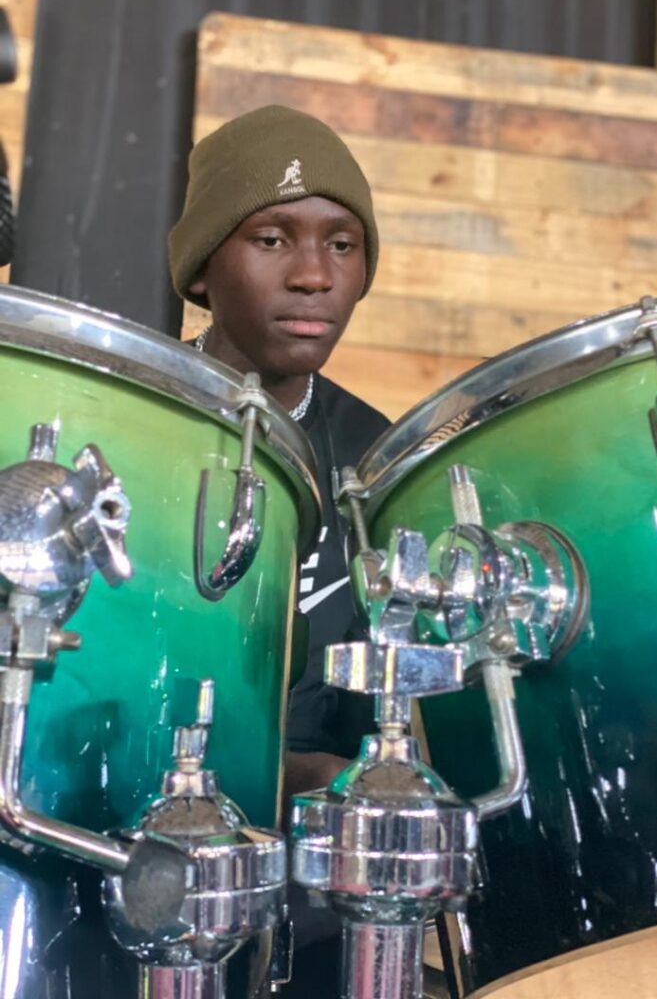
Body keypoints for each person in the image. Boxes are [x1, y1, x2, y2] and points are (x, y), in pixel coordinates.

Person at [168, 104, 391, 995]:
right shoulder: (129, 423)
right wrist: (267, 770)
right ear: (201, 270)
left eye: (342, 245)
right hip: (133, 849)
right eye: (272, 238)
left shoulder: (383, 464)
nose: (312, 276)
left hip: (311, 903)